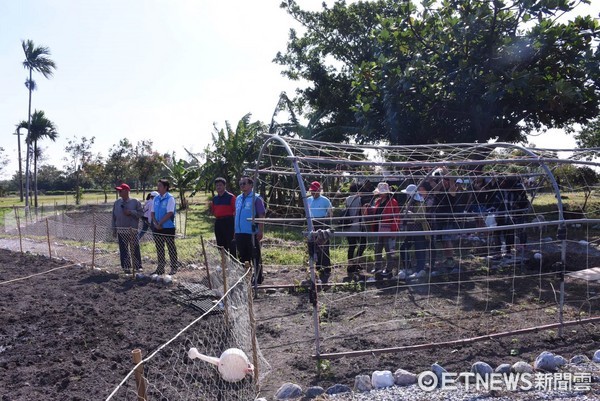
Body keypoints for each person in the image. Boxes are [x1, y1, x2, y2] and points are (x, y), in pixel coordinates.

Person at [362, 182, 400, 277]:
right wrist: (369, 209)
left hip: (388, 229)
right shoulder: (378, 201)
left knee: (389, 250)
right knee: (377, 249)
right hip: (379, 228)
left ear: (387, 192)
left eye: (382, 192)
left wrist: (393, 231)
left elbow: (396, 217)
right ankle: (378, 267)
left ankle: (389, 269)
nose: (380, 193)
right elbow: (376, 213)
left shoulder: (393, 202)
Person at [235, 175, 266, 284]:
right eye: (240, 184)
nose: (242, 186)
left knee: (255, 255)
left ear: (251, 185)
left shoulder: (256, 198)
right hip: (239, 232)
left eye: (244, 183)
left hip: (251, 232)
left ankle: (258, 278)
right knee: (243, 256)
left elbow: (261, 215)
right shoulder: (238, 198)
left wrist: (260, 230)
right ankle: (246, 277)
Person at [400, 184, 430, 279]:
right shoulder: (409, 202)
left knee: (419, 251)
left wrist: (410, 214)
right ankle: (408, 267)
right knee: (403, 248)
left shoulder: (420, 203)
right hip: (410, 230)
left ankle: (420, 270)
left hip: (419, 230)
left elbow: (421, 217)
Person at [112, 183, 144, 273]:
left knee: (135, 248)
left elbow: (141, 214)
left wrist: (131, 212)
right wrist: (114, 229)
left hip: (132, 231)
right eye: (118, 190)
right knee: (123, 249)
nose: (119, 192)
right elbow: (113, 217)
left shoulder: (135, 202)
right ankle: (126, 267)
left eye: (120, 191)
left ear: (126, 191)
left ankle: (138, 267)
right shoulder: (117, 203)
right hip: (121, 230)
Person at [307, 181, 333, 283]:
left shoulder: (325, 200)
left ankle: (326, 268)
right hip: (312, 223)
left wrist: (327, 222)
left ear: (319, 190)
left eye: (315, 191)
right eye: (312, 191)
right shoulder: (308, 200)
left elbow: (330, 212)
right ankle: (317, 267)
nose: (313, 193)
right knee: (313, 246)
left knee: (324, 246)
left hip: (323, 222)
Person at [151, 179, 179, 275]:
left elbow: (170, 213)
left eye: (159, 186)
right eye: (157, 185)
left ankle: (174, 267)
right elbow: (152, 213)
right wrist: (155, 224)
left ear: (165, 187)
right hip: (157, 227)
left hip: (168, 227)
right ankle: (160, 267)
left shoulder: (170, 198)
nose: (158, 188)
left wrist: (160, 223)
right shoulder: (156, 198)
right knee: (159, 247)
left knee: (171, 247)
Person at [210, 177, 236, 256]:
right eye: (217, 185)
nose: (218, 187)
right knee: (220, 243)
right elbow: (214, 211)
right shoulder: (215, 198)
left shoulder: (231, 197)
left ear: (225, 186)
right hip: (218, 222)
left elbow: (235, 211)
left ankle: (233, 264)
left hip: (228, 222)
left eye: (220, 185)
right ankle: (224, 264)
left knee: (230, 243)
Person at [344, 182, 366, 271]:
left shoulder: (347, 199)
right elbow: (364, 212)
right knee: (363, 244)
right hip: (359, 226)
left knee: (351, 246)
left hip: (349, 225)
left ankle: (350, 265)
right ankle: (357, 262)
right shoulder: (361, 199)